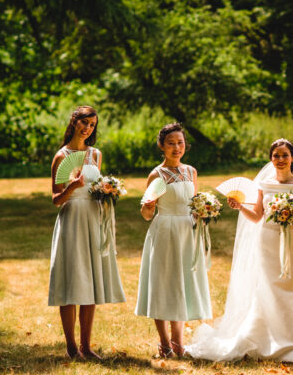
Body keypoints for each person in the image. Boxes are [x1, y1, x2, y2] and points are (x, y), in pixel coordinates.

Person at [185, 139, 293, 362]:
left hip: (292, 243)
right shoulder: (265, 185)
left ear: (292, 157)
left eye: (284, 155)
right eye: (276, 156)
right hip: (267, 241)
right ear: (270, 158)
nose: (280, 160)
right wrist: (241, 206)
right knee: (266, 290)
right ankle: (264, 341)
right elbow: (256, 217)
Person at [48, 106, 125, 359]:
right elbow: (56, 200)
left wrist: (106, 191)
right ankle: (71, 346)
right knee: (72, 279)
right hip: (72, 219)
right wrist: (71, 186)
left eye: (92, 124)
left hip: (93, 218)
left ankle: (86, 346)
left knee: (90, 280)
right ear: (74, 122)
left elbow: (95, 187)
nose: (87, 128)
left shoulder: (95, 155)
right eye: (84, 122)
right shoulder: (61, 156)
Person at [136, 123, 212, 358]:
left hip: (188, 232)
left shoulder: (191, 171)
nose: (176, 148)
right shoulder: (156, 175)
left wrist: (203, 211)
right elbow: (147, 215)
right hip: (165, 231)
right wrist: (148, 206)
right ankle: (165, 343)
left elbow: (194, 202)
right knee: (164, 284)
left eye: (180, 143)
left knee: (182, 284)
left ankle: (178, 342)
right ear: (162, 146)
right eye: (171, 143)